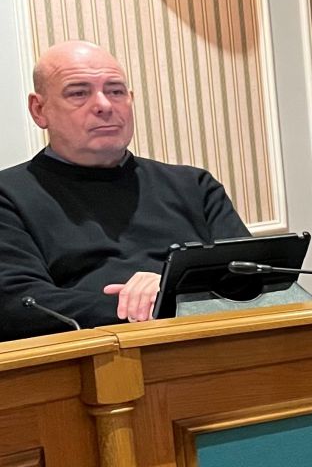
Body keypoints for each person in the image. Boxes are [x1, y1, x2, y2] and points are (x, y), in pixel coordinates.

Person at [0, 41, 249, 339]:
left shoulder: (194, 186)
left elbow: (256, 278)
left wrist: (166, 289)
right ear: (39, 110)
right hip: (91, 357)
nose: (104, 106)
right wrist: (157, 303)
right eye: (78, 93)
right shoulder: (8, 196)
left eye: (116, 91)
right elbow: (19, 306)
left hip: (216, 347)